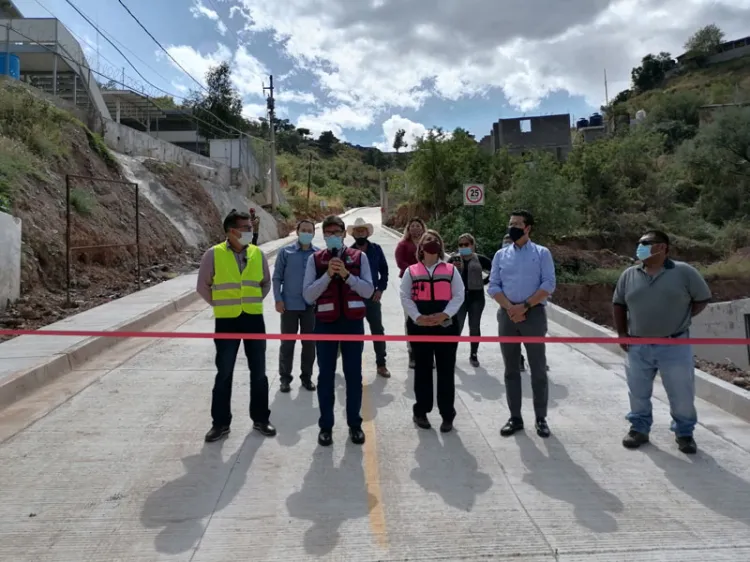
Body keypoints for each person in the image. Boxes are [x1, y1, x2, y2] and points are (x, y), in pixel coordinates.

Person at [613, 229, 711, 455]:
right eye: (639, 243)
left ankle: (684, 433)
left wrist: (680, 319)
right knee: (637, 391)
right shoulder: (629, 274)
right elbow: (618, 304)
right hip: (638, 346)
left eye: (646, 243)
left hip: (673, 345)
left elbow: (702, 299)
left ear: (663, 248)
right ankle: (639, 428)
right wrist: (622, 334)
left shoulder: (684, 272)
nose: (640, 247)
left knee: (681, 392)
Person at [196, 209, 276, 442]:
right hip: (227, 320)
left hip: (253, 318)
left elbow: (265, 283)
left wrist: (250, 302)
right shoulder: (213, 254)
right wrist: (221, 304)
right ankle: (220, 423)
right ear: (231, 231)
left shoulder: (258, 254)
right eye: (246, 228)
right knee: (224, 373)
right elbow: (203, 286)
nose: (250, 232)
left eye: (251, 227)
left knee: (259, 372)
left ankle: (261, 418)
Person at [303, 215, 374, 447]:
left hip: (352, 324)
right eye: (328, 232)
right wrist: (327, 276)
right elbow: (308, 294)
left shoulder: (359, 257)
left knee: (353, 376)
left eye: (336, 232)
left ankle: (355, 424)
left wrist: (346, 275)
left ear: (344, 234)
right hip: (325, 324)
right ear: (323, 235)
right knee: (325, 377)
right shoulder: (315, 259)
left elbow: (367, 290)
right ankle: (326, 426)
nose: (332, 236)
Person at [488, 210, 556, 438]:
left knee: (537, 369)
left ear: (528, 228)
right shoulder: (500, 255)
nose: (512, 227)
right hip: (507, 316)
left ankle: (541, 418)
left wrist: (525, 306)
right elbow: (493, 285)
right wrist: (510, 308)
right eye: (510, 223)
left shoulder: (542, 253)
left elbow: (548, 283)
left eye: (517, 224)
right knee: (511, 370)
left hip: (533, 314)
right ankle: (515, 417)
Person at [400, 229, 465, 433]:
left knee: (446, 371)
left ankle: (447, 415)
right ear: (421, 247)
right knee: (423, 370)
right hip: (420, 327)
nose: (431, 242)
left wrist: (444, 315)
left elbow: (459, 295)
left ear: (440, 246)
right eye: (427, 240)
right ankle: (421, 411)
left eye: (435, 240)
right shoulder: (411, 271)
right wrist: (418, 317)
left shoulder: (450, 270)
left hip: (446, 326)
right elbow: (405, 297)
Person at [273, 219, 318, 393]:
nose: (306, 233)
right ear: (297, 231)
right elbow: (277, 277)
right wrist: (278, 299)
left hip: (310, 307)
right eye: (303, 230)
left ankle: (306, 378)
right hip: (289, 306)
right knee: (287, 344)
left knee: (309, 344)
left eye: (310, 231)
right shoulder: (286, 252)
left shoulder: (318, 254)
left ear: (314, 233)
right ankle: (285, 378)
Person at [348, 217, 391, 378]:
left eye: (362, 230)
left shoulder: (376, 249)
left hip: (373, 298)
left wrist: (380, 289)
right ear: (353, 234)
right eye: (357, 231)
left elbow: (384, 271)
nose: (360, 233)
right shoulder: (349, 253)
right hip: (355, 299)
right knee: (355, 333)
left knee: (377, 330)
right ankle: (354, 366)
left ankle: (381, 364)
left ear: (367, 233)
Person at [449, 233, 492, 367]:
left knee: (474, 326)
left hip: (476, 297)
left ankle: (474, 354)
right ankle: (451, 354)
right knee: (457, 326)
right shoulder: (453, 259)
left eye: (466, 244)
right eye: (460, 245)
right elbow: (444, 276)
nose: (463, 247)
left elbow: (495, 270)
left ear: (472, 245)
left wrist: (484, 281)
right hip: (459, 298)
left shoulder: (480, 259)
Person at [395, 217, 427, 368]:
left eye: (417, 225)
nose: (415, 228)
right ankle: (412, 352)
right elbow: (400, 262)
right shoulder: (403, 245)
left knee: (427, 316)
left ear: (422, 228)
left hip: (427, 284)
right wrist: (414, 272)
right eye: (412, 226)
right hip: (409, 283)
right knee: (411, 318)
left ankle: (428, 352)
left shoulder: (428, 243)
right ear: (408, 229)